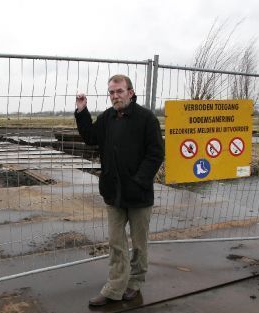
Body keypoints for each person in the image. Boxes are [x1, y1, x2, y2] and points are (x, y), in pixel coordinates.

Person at [74, 74, 164, 306]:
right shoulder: (107, 117)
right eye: (112, 93)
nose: (115, 96)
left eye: (119, 91)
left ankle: (134, 282)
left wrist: (139, 180)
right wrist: (82, 111)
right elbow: (90, 137)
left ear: (130, 92)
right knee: (116, 242)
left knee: (139, 243)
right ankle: (114, 287)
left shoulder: (146, 119)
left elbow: (155, 154)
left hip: (139, 194)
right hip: (113, 193)